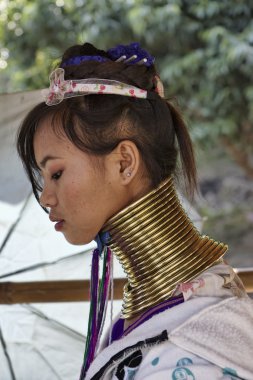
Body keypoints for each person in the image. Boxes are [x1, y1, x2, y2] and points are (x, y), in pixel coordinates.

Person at [17, 42, 253, 380]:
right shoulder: (155, 316)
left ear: (124, 163)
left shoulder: (198, 350)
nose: (46, 198)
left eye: (56, 173)